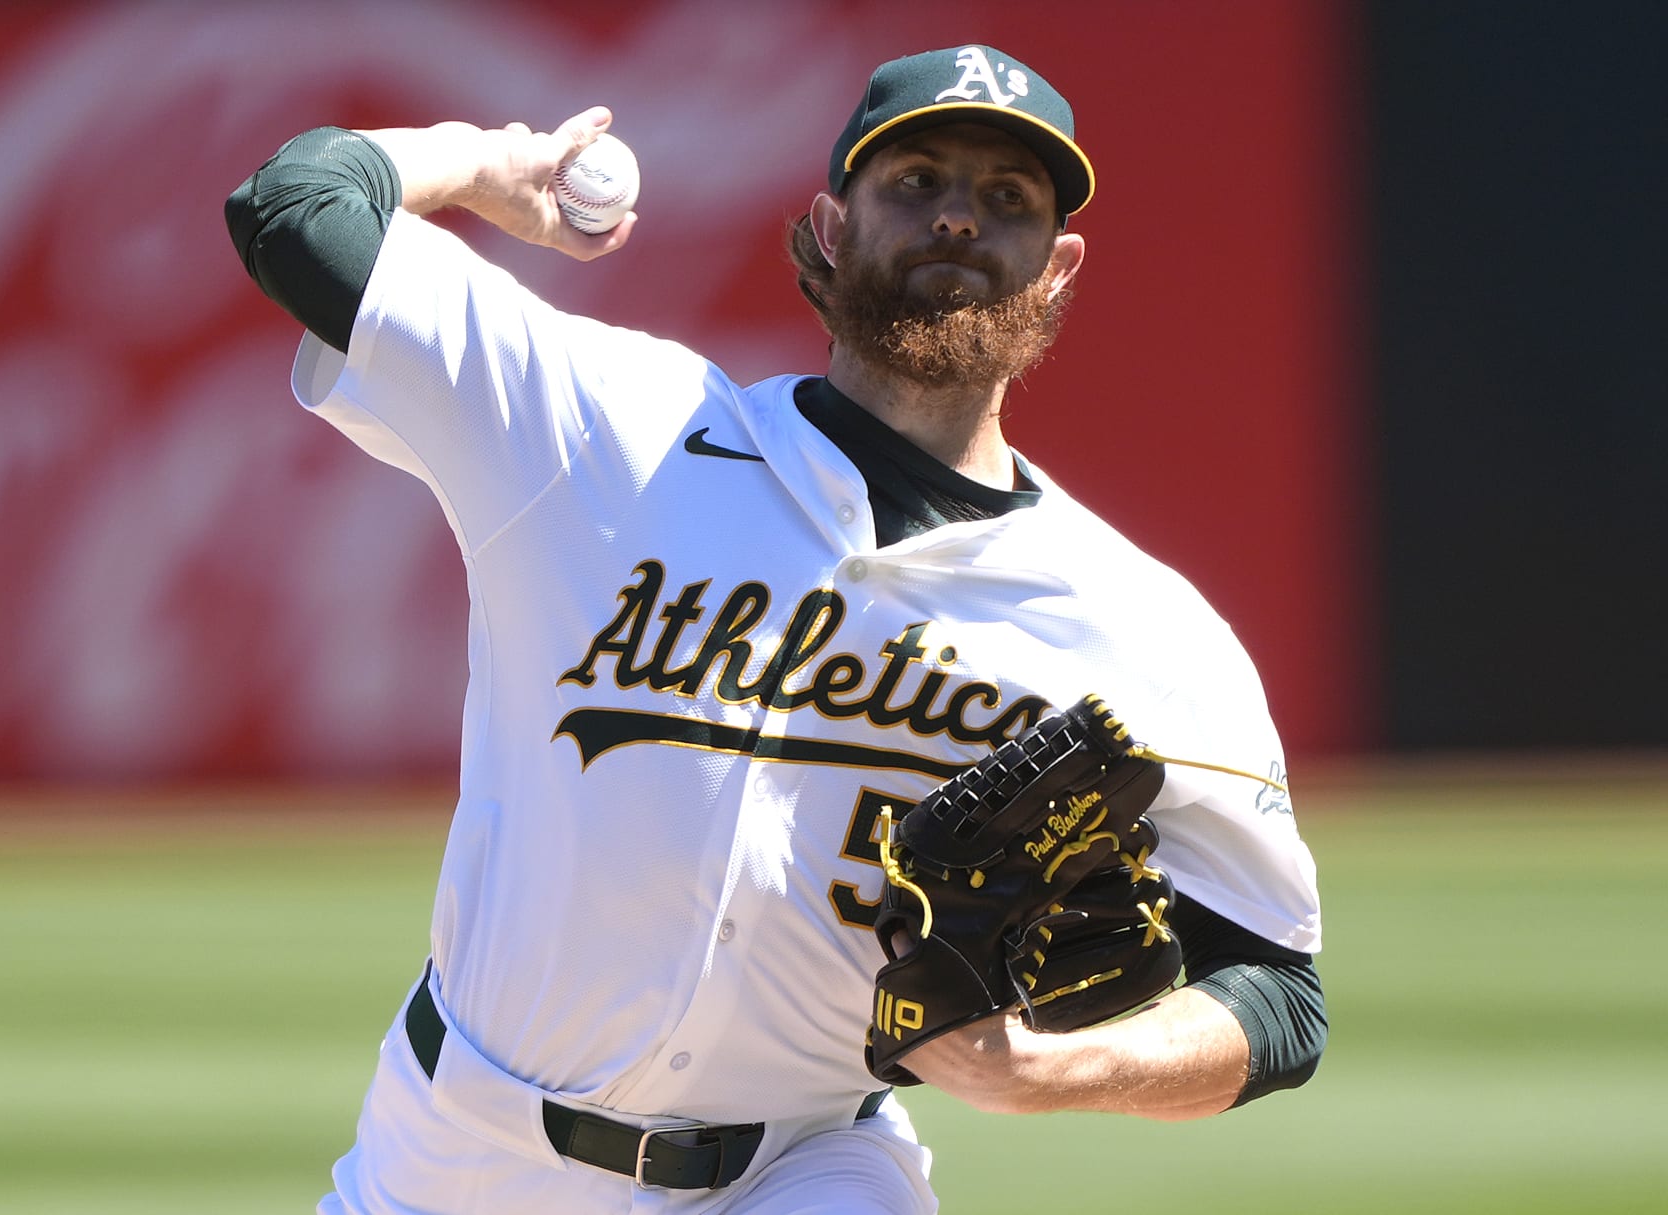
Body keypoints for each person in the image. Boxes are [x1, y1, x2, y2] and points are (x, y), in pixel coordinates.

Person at [225, 43, 1326, 1215]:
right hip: (457, 1159)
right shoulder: (605, 429)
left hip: (804, 1166)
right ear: (831, 227)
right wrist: (482, 163)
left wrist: (1059, 1070)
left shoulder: (1137, 624)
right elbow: (294, 209)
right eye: (915, 183)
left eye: (1006, 199)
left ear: (1057, 269)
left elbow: (1277, 993)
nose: (957, 218)